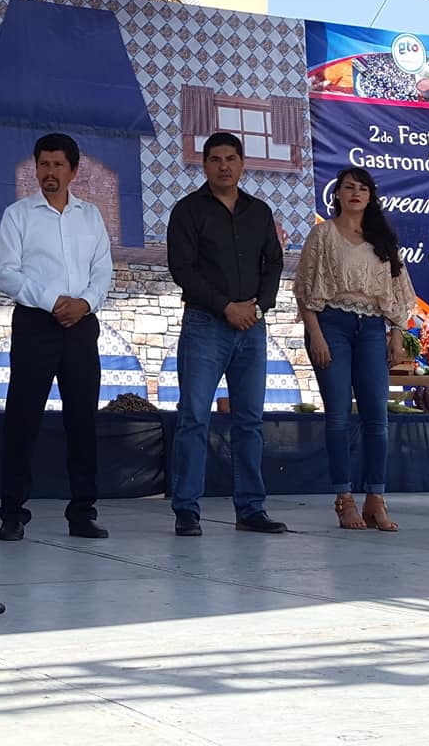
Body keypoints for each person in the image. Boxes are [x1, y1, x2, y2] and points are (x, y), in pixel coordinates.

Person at [165, 132, 288, 537]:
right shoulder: (188, 211)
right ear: (204, 165)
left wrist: (259, 307)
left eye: (230, 158)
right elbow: (182, 269)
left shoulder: (259, 211)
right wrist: (226, 307)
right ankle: (187, 510)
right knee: (194, 418)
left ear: (241, 163)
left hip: (252, 327)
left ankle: (251, 509)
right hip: (205, 325)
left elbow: (274, 262)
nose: (223, 166)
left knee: (250, 421)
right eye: (215, 159)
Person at [0, 133, 113, 541]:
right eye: (43, 164)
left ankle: (82, 512)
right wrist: (52, 301)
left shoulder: (90, 216)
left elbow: (103, 271)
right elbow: (6, 273)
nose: (50, 172)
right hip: (35, 324)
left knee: (82, 420)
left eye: (58, 165)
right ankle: (13, 513)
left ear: (73, 171)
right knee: (22, 418)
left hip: (81, 325)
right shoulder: (18, 215)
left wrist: (84, 303)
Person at [294, 167, 414, 532]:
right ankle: (344, 498)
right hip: (332, 324)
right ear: (338, 194)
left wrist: (396, 335)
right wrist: (316, 334)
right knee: (339, 415)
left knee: (377, 416)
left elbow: (398, 292)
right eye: (349, 187)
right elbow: (304, 288)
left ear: (371, 196)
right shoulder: (323, 234)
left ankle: (376, 499)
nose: (355, 193)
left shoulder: (383, 239)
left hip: (373, 328)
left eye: (363, 188)